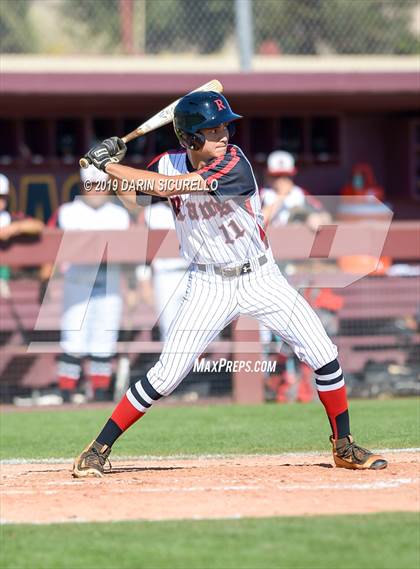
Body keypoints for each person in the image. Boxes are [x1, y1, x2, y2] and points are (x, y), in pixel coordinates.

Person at [73, 91, 387, 477]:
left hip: (260, 276)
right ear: (189, 138)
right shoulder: (166, 163)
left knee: (324, 352)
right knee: (167, 374)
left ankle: (344, 445)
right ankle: (98, 448)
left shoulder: (236, 163)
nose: (224, 134)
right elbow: (135, 198)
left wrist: (111, 166)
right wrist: (109, 164)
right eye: (213, 129)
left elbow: (176, 187)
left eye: (225, 126)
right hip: (207, 283)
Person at [41, 166, 130, 402]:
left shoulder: (119, 214)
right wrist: (45, 281)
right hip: (77, 281)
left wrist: (135, 287)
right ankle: (66, 395)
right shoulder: (68, 212)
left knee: (104, 338)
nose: (96, 190)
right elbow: (48, 246)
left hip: (110, 281)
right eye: (91, 185)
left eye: (101, 185)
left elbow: (135, 251)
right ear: (83, 186)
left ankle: (100, 396)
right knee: (73, 336)